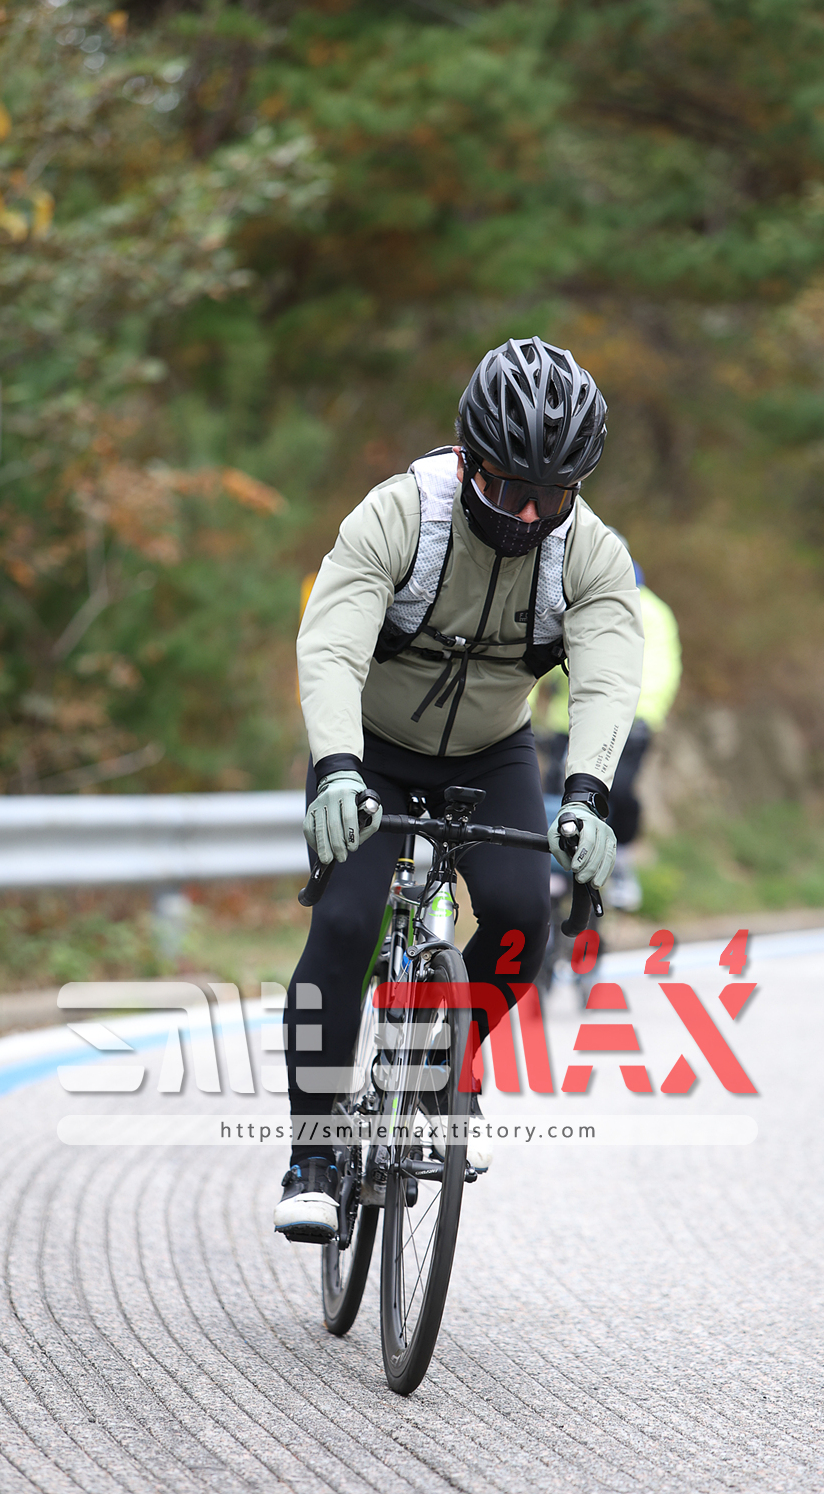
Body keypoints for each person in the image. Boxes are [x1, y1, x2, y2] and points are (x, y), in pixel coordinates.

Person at [275, 336, 646, 1243]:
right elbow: (331, 647)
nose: (530, 514)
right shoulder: (400, 514)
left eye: (553, 495)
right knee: (349, 924)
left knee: (524, 918)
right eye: (510, 488)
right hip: (371, 748)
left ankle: (444, 1059)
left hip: (491, 754)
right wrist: (336, 767)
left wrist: (588, 795)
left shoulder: (589, 554)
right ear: (469, 457)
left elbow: (607, 680)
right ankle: (313, 1154)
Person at [532, 556, 681, 914]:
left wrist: (643, 715)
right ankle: (552, 867)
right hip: (566, 723)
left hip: (628, 723)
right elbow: (537, 660)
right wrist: (524, 712)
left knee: (621, 793)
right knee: (555, 796)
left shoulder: (651, 612)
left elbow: (659, 667)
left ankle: (624, 857)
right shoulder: (568, 599)